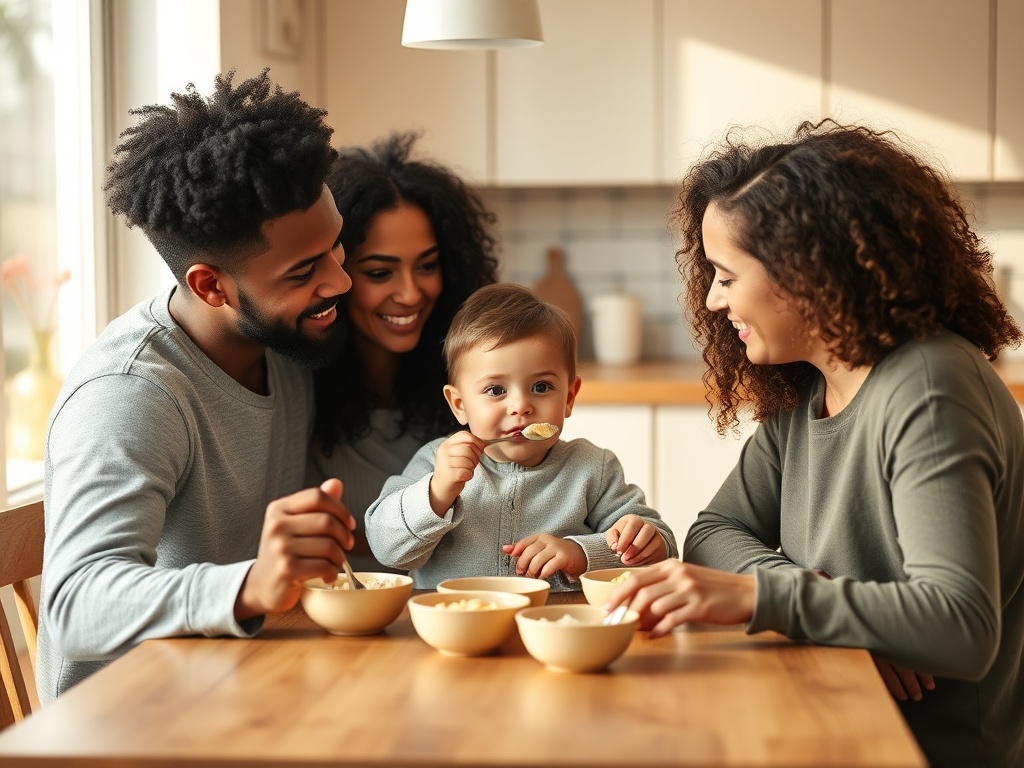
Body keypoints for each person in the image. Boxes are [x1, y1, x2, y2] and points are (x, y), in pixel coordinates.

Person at [606, 120, 1024, 767]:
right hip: (828, 714)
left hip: (925, 751)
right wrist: (821, 606)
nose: (714, 300)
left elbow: (958, 626)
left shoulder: (930, 387)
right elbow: (716, 530)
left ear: (804, 271)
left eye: (726, 274)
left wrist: (759, 597)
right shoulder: (808, 386)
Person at [38, 70, 357, 701]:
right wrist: (251, 585)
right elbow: (74, 605)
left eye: (336, 248)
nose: (339, 282)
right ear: (211, 286)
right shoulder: (130, 393)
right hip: (129, 729)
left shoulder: (284, 346)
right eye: (304, 271)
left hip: (238, 692)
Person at [364, 283, 678, 590]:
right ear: (459, 405)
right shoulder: (435, 463)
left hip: (555, 629)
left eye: (541, 387)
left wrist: (580, 554)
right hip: (459, 629)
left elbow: (660, 549)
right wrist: (436, 493)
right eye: (495, 390)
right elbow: (387, 548)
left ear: (569, 397)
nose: (521, 406)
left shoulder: (593, 469)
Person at [307, 132, 499, 572]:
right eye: (380, 272)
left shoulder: (476, 380)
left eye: (428, 266)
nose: (411, 293)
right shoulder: (298, 382)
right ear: (334, 273)